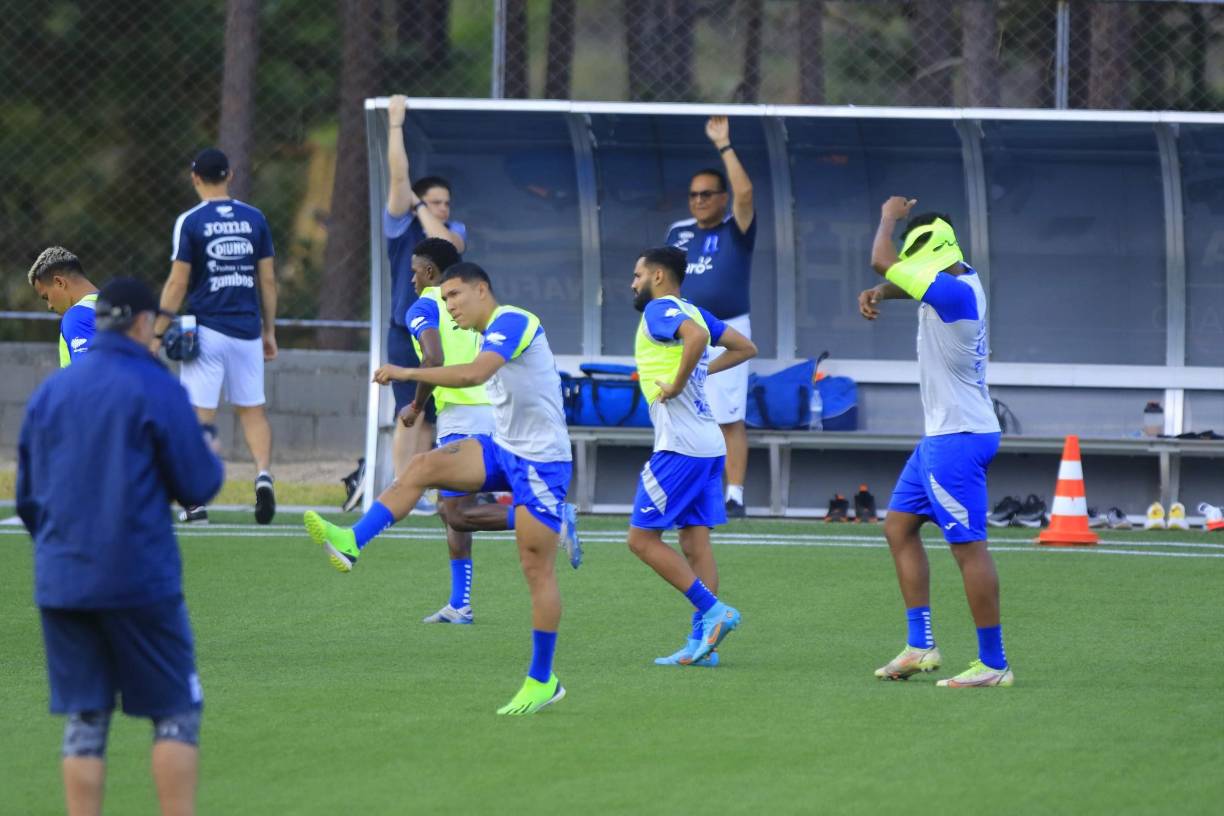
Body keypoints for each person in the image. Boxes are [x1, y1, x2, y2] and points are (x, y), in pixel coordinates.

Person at [304, 262, 580, 716]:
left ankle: (542, 679)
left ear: (482, 290)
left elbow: (472, 374)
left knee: (536, 571)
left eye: (455, 296)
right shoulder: (486, 328)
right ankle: (352, 541)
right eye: (445, 298)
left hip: (541, 462)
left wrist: (408, 374)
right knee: (422, 466)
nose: (449, 306)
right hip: (503, 447)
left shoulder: (513, 320)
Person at [17, 277, 224, 816]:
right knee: (175, 711)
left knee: (86, 718)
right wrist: (207, 445)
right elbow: (198, 486)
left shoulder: (50, 392)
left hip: (62, 579)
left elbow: (28, 500)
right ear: (139, 322)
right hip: (138, 576)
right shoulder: (156, 386)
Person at [859, 197, 1013, 688]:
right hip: (943, 438)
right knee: (899, 528)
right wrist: (884, 292)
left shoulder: (955, 294)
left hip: (958, 440)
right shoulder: (959, 281)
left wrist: (887, 216)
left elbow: (882, 258)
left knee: (968, 550)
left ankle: (993, 664)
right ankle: (920, 645)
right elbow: (906, 281)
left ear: (938, 255)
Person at [401, 237, 550, 625]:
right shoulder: (474, 304)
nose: (411, 279)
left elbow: (434, 357)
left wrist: (416, 405)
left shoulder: (425, 305)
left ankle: (547, 515)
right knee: (450, 511)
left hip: (464, 416)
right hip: (493, 409)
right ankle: (459, 603)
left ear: (430, 272)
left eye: (415, 271)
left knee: (456, 512)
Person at [627, 247, 757, 668]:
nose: (633, 283)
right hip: (710, 444)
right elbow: (743, 347)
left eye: (637, 275)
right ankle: (703, 646)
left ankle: (716, 613)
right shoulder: (696, 311)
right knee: (695, 543)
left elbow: (698, 340)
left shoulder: (659, 310)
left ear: (658, 277)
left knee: (641, 539)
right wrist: (699, 372)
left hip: (680, 446)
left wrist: (681, 382)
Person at [153, 147, 278, 526]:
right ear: (231, 175)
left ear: (195, 178)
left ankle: (195, 499)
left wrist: (158, 332)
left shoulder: (190, 221)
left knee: (199, 415)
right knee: (252, 410)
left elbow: (178, 281)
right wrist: (269, 330)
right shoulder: (254, 218)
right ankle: (263, 475)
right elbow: (267, 280)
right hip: (247, 330)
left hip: (206, 329)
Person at [664, 115, 755, 519]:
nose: (699, 200)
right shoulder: (678, 232)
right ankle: (691, 488)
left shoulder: (736, 228)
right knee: (684, 407)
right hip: (684, 333)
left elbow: (747, 193)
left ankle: (733, 493)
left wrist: (724, 145)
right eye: (693, 195)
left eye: (707, 194)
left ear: (722, 197)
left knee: (726, 414)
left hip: (727, 331)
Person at [383, 95, 469, 511]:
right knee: (407, 407)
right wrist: (396, 125)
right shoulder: (400, 224)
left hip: (445, 331)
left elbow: (446, 242)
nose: (444, 208)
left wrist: (424, 209)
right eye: (436, 201)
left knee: (435, 414)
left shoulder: (452, 232)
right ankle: (404, 485)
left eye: (446, 203)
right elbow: (399, 180)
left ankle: (431, 481)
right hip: (405, 328)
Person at [27, 246, 99, 367]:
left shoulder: (77, 316)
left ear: (59, 283)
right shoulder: (120, 309)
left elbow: (89, 378)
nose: (49, 306)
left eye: (46, 297)